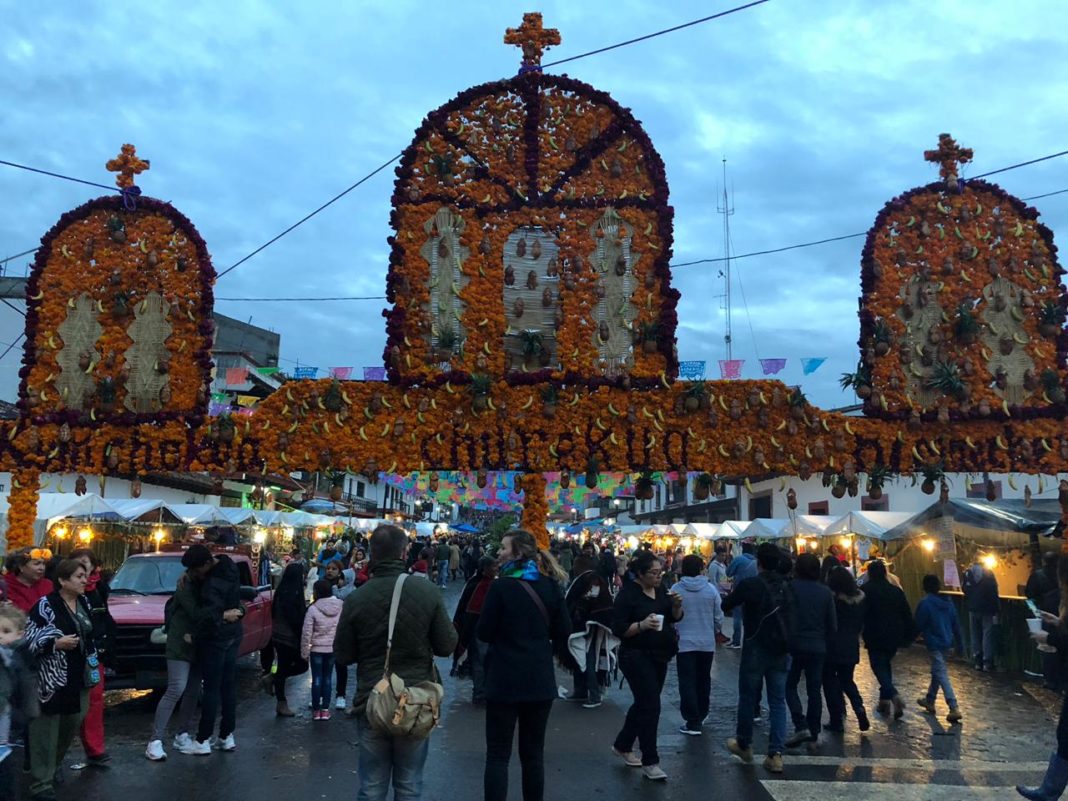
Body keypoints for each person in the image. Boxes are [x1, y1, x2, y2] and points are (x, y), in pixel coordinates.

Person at [334, 524, 458, 801]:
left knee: (371, 787)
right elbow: (446, 645)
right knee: (409, 785)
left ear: (371, 553)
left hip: (372, 698)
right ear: (405, 552)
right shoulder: (427, 592)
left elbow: (343, 655)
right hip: (414, 699)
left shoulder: (356, 598)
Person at [478, 530, 571, 801]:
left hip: (504, 679)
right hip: (539, 679)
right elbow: (564, 629)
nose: (498, 553)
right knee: (533, 755)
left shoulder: (500, 587)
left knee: (497, 755)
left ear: (517, 553)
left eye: (503, 548)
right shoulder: (550, 585)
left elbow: (483, 632)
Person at [25, 559, 97, 801]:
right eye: (79, 576)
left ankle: (52, 766)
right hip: (51, 678)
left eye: (85, 575)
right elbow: (29, 640)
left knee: (72, 722)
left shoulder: (84, 601)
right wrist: (55, 643)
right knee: (45, 731)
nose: (84, 580)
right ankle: (40, 782)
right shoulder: (45, 606)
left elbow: (92, 632)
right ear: (63, 581)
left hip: (80, 675)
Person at [610, 550, 682, 782]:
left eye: (660, 571)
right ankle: (651, 760)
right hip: (635, 655)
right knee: (651, 705)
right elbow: (619, 629)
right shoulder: (627, 595)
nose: (659, 576)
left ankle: (623, 744)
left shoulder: (661, 590)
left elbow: (673, 619)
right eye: (653, 572)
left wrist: (676, 607)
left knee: (644, 703)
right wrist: (641, 625)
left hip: (660, 655)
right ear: (639, 574)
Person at [722, 543, 790, 775]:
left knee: (749, 697)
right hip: (782, 648)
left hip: (755, 646)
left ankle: (744, 744)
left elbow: (726, 605)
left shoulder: (751, 585)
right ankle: (776, 754)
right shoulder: (787, 585)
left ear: (758, 563)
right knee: (778, 701)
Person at [183, 544, 245, 755]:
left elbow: (208, 616)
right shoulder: (229, 566)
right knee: (228, 686)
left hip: (216, 639)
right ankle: (226, 735)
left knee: (211, 689)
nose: (194, 573)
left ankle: (202, 739)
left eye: (195, 569)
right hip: (234, 634)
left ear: (207, 564)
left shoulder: (211, 585)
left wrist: (201, 629)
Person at [146, 558, 204, 761]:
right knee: (177, 688)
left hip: (196, 643)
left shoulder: (201, 582)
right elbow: (196, 612)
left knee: (192, 689)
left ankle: (181, 734)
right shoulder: (187, 586)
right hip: (181, 642)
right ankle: (156, 739)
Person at [784, 553, 836, 748]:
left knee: (790, 685)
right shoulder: (825, 592)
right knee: (815, 690)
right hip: (818, 646)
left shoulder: (790, 588)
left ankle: (800, 724)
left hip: (794, 645)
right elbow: (832, 624)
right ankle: (814, 733)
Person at [69, 549, 112, 766]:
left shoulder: (99, 588)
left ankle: (95, 749)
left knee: (94, 701)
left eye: (85, 563)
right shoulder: (64, 591)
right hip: (69, 652)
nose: (82, 568)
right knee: (68, 705)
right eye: (77, 564)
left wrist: (106, 644)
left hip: (95, 654)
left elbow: (106, 618)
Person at [674, 554, 723, 735]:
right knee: (703, 679)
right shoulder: (710, 590)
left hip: (684, 643)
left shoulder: (676, 589)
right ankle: (702, 713)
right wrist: (714, 629)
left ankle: (692, 719)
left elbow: (672, 615)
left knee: (687, 680)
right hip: (706, 642)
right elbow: (718, 616)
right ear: (701, 568)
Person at [861, 559, 916, 718]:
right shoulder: (896, 591)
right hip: (894, 635)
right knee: (885, 664)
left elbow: (861, 613)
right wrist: (909, 634)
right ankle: (884, 701)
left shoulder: (865, 590)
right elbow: (906, 613)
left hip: (874, 634)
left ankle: (893, 695)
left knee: (878, 666)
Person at [822, 566, 869, 733]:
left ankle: (836, 719)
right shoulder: (860, 599)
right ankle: (859, 708)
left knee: (829, 682)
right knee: (847, 680)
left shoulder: (832, 599)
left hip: (832, 645)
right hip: (851, 644)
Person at [563, 555, 613, 708]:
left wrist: (581, 616)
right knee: (579, 658)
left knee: (589, 659)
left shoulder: (591, 579)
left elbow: (591, 600)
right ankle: (581, 691)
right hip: (586, 624)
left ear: (580, 566)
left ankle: (594, 694)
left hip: (589, 626)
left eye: (575, 565)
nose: (573, 568)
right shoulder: (590, 578)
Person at [914, 574, 963, 724]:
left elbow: (919, 623)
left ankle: (953, 706)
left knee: (941, 673)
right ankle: (930, 699)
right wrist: (960, 645)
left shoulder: (925, 603)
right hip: (947, 641)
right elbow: (956, 625)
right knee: (937, 671)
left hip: (934, 642)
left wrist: (909, 638)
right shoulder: (948, 603)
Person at [0, 604, 37, 801]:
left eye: (6, 631)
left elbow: (27, 687)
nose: (0, 635)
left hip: (6, 733)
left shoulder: (18, 658)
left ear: (19, 634)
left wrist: (24, 716)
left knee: (6, 783)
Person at [453, 557, 498, 704]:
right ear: (484, 569)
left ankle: (482, 691)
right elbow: (471, 610)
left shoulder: (479, 583)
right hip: (479, 630)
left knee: (483, 661)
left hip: (483, 630)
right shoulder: (481, 585)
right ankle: (480, 693)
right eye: (493, 567)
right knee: (481, 661)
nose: (496, 570)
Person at [270, 563, 308, 718]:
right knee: (295, 666)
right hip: (288, 637)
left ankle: (272, 679)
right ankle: (281, 701)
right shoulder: (291, 594)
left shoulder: (283, 590)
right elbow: (295, 619)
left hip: (279, 635)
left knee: (287, 668)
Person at [301, 579, 342, 721]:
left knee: (317, 678)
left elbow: (307, 632)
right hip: (332, 649)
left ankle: (316, 710)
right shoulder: (341, 606)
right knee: (328, 678)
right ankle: (325, 710)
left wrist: (305, 652)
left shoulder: (313, 609)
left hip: (317, 649)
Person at [962, 560, 1000, 672]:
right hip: (987, 608)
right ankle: (987, 662)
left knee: (975, 633)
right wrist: (996, 608)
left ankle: (977, 660)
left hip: (972, 607)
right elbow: (994, 591)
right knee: (987, 633)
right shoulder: (989, 573)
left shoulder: (967, 573)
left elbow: (965, 589)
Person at [725, 542, 758, 648]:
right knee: (750, 617)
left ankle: (736, 641)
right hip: (754, 592)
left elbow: (728, 572)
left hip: (739, 590)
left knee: (737, 617)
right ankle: (749, 641)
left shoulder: (739, 559)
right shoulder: (756, 561)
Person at [5, 549, 54, 613]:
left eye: (44, 564)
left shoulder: (47, 585)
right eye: (37, 564)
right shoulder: (4, 585)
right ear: (21, 567)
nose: (42, 568)